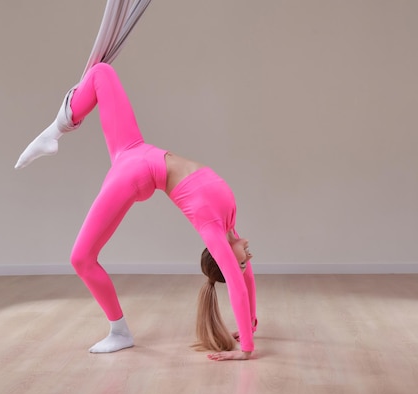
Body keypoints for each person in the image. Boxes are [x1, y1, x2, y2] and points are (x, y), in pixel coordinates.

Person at [15, 63, 257, 361]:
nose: (249, 259)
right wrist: (252, 325)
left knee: (80, 258)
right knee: (102, 72)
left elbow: (237, 283)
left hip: (135, 176)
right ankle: (54, 132)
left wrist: (246, 349)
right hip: (135, 150)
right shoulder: (229, 223)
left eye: (242, 263)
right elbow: (245, 278)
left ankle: (119, 332)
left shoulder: (212, 228)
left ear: (224, 257)